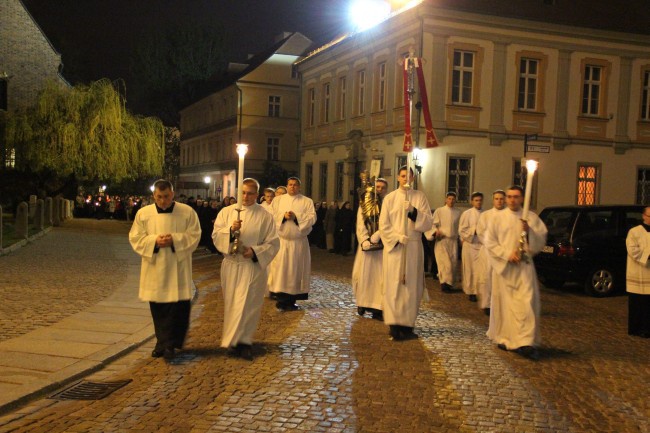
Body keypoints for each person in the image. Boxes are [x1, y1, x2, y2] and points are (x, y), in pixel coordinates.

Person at [128, 179, 201, 361]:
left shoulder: (187, 212)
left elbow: (194, 235)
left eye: (166, 196)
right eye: (159, 197)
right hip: (155, 267)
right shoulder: (144, 214)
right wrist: (154, 242)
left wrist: (174, 240)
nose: (163, 201)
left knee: (177, 308)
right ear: (154, 195)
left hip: (178, 267)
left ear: (173, 194)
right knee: (158, 307)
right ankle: (161, 342)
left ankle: (171, 344)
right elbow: (135, 237)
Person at [212, 178, 280, 359]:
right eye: (242, 192)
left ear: (257, 195)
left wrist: (255, 251)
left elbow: (273, 243)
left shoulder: (265, 216)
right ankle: (233, 341)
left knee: (249, 304)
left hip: (252, 267)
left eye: (250, 193)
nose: (246, 196)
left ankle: (244, 342)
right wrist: (229, 230)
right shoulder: (227, 212)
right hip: (232, 265)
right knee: (233, 303)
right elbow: (216, 235)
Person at [484, 185, 547, 360]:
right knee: (505, 306)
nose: (512, 200)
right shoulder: (498, 218)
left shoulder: (530, 218)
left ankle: (525, 341)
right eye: (509, 197)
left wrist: (528, 233)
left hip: (524, 268)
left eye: (516, 196)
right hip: (505, 270)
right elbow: (489, 241)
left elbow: (540, 239)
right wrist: (506, 254)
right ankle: (506, 337)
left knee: (526, 303)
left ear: (522, 198)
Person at [379, 166, 433, 341]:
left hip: (413, 247)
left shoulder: (420, 197)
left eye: (408, 176)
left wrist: (413, 212)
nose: (405, 179)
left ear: (413, 178)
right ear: (398, 177)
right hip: (395, 249)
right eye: (402, 176)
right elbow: (383, 224)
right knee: (394, 286)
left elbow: (427, 223)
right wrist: (396, 237)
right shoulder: (390, 198)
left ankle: (408, 325)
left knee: (411, 287)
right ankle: (394, 325)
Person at [269, 177, 317, 310]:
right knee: (281, 271)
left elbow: (312, 218)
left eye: (295, 185)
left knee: (295, 271)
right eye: (290, 185)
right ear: (287, 185)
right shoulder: (278, 200)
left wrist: (296, 218)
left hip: (298, 243)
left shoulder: (307, 201)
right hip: (282, 242)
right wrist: (283, 217)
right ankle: (280, 297)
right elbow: (271, 216)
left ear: (299, 187)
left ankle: (292, 299)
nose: (292, 187)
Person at [352, 178, 388, 321]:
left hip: (383, 247)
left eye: (383, 188)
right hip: (367, 247)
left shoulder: (388, 203)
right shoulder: (364, 204)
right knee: (363, 276)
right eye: (377, 187)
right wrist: (364, 239)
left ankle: (379, 307)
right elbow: (360, 223)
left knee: (380, 278)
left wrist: (380, 235)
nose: (379, 190)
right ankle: (362, 302)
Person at [476, 190, 506, 315]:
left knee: (501, 279)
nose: (499, 201)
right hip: (488, 251)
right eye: (497, 198)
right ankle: (487, 304)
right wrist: (492, 245)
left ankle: (500, 303)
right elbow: (481, 232)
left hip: (502, 253)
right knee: (487, 277)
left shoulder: (507, 215)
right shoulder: (486, 215)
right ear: (493, 200)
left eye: (501, 199)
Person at [428, 192, 461, 293]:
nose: (451, 201)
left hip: (453, 241)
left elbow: (460, 227)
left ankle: (449, 284)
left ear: (455, 200)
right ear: (446, 199)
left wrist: (460, 238)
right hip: (442, 240)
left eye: (453, 199)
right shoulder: (440, 211)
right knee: (444, 263)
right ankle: (444, 284)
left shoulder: (458, 212)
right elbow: (432, 224)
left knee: (453, 263)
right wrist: (436, 232)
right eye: (449, 198)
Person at [625, 206, 650, 338]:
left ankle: (647, 329)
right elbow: (632, 249)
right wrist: (647, 255)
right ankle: (635, 328)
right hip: (638, 272)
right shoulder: (634, 232)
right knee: (637, 304)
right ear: (644, 216)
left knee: (648, 305)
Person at [458, 192, 484, 303]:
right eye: (476, 200)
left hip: (481, 245)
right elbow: (462, 230)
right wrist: (473, 231)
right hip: (470, 245)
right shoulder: (467, 214)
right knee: (470, 269)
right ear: (472, 201)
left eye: (480, 200)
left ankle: (478, 290)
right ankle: (470, 291)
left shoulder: (485, 214)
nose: (478, 202)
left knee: (479, 270)